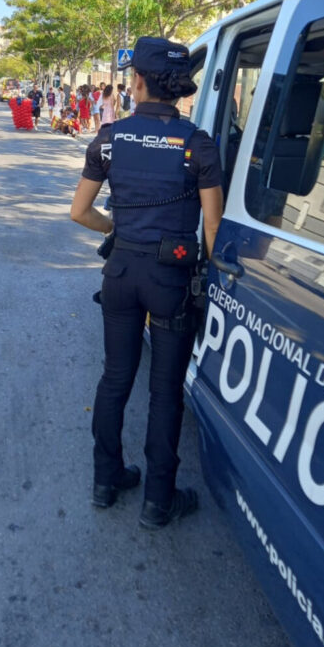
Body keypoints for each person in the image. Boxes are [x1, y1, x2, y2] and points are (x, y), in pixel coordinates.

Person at [70, 36, 223, 529]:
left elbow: (79, 212)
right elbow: (214, 229)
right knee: (165, 391)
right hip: (170, 278)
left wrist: (118, 230)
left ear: (137, 83)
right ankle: (159, 499)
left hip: (119, 273)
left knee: (116, 378)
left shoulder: (110, 138)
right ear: (178, 90)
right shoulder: (198, 143)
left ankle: (106, 479)